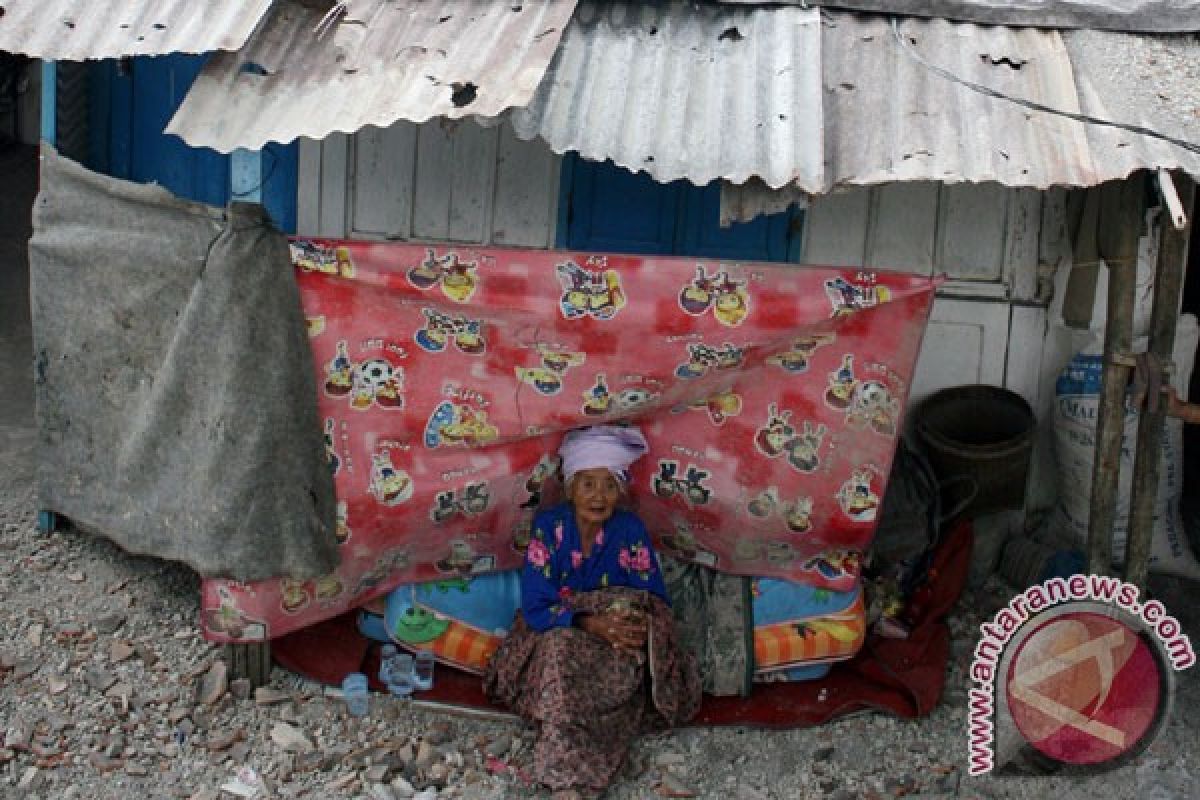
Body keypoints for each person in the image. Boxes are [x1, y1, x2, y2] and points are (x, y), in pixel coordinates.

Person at [484, 425, 700, 800]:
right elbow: (536, 605)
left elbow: (654, 597)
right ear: (571, 488)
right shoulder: (550, 528)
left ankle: (589, 755)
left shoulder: (629, 529)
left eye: (608, 485)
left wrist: (631, 623)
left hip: (612, 633)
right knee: (560, 652)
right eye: (588, 484)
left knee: (623, 659)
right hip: (557, 629)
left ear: (619, 491)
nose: (598, 496)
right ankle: (569, 776)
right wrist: (588, 621)